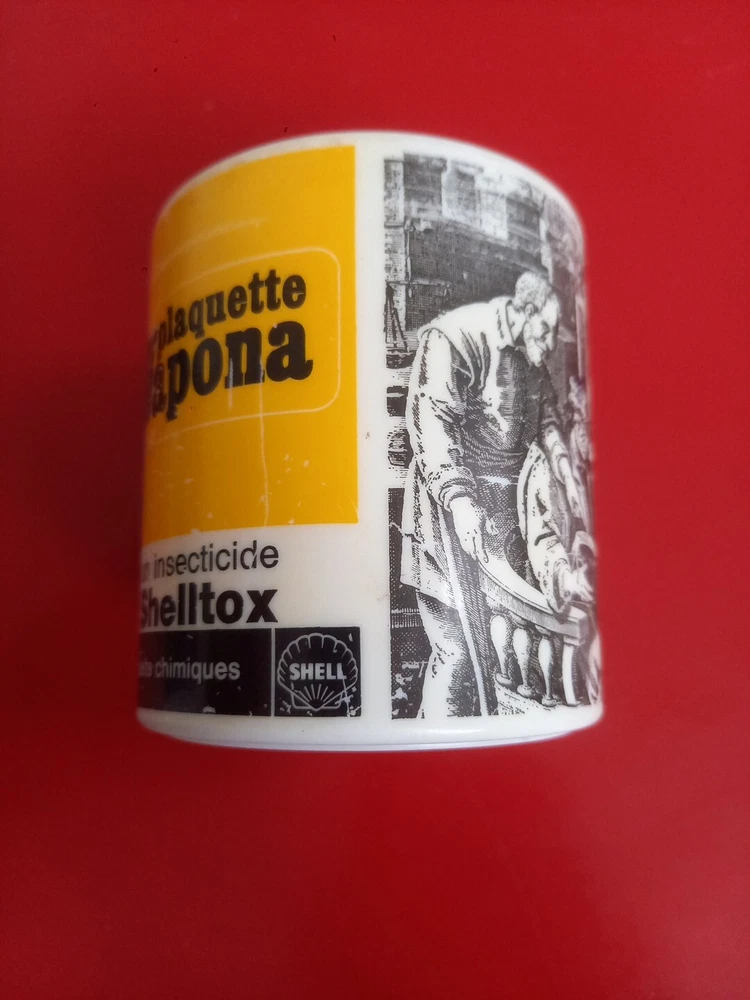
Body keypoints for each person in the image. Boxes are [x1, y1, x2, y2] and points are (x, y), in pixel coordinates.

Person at [401, 271, 589, 718]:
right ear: (523, 312)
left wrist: (562, 461)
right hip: (447, 517)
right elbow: (432, 425)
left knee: (497, 659)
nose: (549, 344)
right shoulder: (455, 337)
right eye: (545, 330)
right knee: (457, 654)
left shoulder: (529, 352)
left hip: (501, 528)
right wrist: (460, 502)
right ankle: (434, 745)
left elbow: (546, 417)